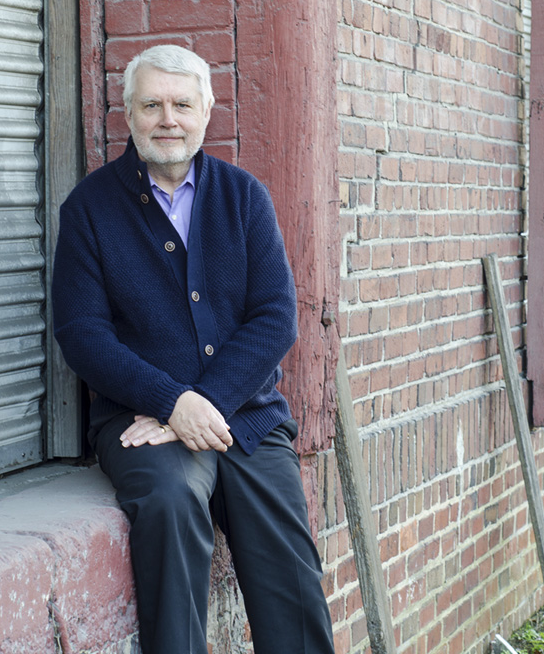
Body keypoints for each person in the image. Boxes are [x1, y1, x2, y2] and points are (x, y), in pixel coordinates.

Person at [52, 44, 336, 654]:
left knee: (290, 571)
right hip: (140, 421)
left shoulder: (244, 197)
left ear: (207, 111)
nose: (168, 119)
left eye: (182, 104)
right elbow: (82, 334)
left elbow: (275, 317)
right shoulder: (89, 210)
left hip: (246, 417)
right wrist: (168, 400)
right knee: (172, 502)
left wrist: (201, 402)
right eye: (151, 104)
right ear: (128, 114)